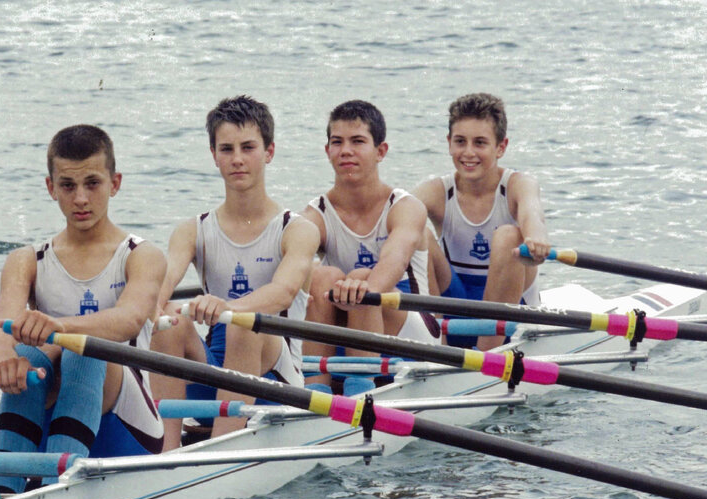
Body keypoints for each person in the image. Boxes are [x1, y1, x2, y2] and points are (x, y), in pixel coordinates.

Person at [0, 124, 166, 493]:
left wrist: (57, 330)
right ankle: (4, 492)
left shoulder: (142, 256)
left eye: (93, 184)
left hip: (128, 429)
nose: (80, 198)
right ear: (51, 188)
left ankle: (56, 488)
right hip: (57, 409)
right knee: (21, 351)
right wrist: (6, 362)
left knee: (85, 347)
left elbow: (129, 320)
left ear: (115, 183)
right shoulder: (26, 260)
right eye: (67, 186)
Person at [150, 95, 320, 449]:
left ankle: (223, 448)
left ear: (269, 152)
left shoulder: (297, 229)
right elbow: (163, 283)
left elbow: (283, 292)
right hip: (216, 376)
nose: (237, 159)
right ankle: (165, 450)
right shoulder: (192, 230)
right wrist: (151, 309)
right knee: (168, 323)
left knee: (244, 324)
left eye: (248, 147)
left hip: (279, 385)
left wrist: (228, 308)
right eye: (227, 149)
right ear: (214, 155)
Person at [301, 100, 440, 386]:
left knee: (363, 279)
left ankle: (358, 392)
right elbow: (289, 256)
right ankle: (315, 389)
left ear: (381, 151)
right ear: (327, 151)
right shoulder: (316, 214)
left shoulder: (405, 207)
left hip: (412, 336)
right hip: (349, 332)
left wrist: (365, 289)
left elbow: (395, 258)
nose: (346, 151)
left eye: (358, 141)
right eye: (337, 142)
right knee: (319, 275)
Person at [414, 92, 550, 351]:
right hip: (454, 310)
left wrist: (535, 238)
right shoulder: (435, 191)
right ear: (449, 143)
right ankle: (436, 348)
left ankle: (485, 355)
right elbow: (393, 216)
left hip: (511, 318)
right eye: (460, 142)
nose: (468, 153)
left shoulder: (519, 184)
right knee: (415, 232)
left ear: (501, 147)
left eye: (479, 143)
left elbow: (532, 213)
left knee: (509, 235)